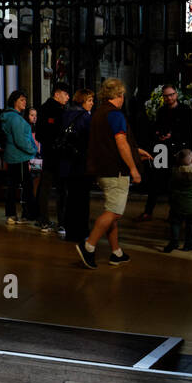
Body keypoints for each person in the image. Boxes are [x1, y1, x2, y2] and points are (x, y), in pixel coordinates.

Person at [76, 78, 153, 268]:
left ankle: (116, 252)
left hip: (102, 170)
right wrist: (134, 168)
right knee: (114, 212)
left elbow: (107, 142)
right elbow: (120, 143)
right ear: (119, 95)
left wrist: (136, 151)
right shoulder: (115, 114)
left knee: (112, 210)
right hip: (115, 172)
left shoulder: (99, 113)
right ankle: (89, 246)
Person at [138, 83, 192, 221]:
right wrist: (159, 135)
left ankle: (174, 213)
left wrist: (173, 136)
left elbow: (189, 132)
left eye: (171, 95)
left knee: (176, 183)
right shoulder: (162, 111)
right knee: (155, 181)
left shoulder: (186, 110)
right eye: (166, 96)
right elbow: (155, 128)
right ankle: (148, 211)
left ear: (176, 94)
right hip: (162, 149)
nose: (169, 98)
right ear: (163, 97)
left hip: (178, 151)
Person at [33, 83, 71, 234]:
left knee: (57, 188)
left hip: (56, 155)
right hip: (53, 154)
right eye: (66, 94)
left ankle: (54, 220)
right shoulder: (47, 109)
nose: (67, 97)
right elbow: (42, 134)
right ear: (57, 94)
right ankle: (47, 220)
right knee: (50, 188)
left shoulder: (62, 109)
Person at [58, 88, 94, 241]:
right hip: (80, 163)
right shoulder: (85, 117)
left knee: (70, 199)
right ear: (82, 101)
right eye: (90, 100)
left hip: (66, 162)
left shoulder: (66, 114)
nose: (92, 104)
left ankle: (70, 230)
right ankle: (82, 232)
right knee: (82, 200)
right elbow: (89, 140)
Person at [162, 148, 192, 252]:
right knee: (191, 225)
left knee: (175, 223)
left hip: (177, 204)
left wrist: (171, 201)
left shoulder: (175, 174)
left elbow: (169, 188)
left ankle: (174, 242)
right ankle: (188, 244)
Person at [1, 90, 38, 226]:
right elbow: (20, 140)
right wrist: (33, 150)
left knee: (13, 186)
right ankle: (27, 214)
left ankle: (13, 214)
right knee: (26, 187)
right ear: (14, 101)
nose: (25, 102)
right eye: (21, 100)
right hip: (19, 156)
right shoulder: (15, 118)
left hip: (13, 155)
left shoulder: (9, 116)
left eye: (25, 100)